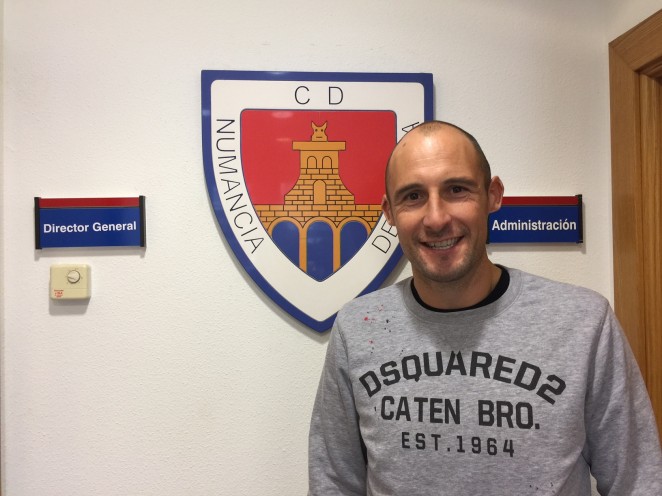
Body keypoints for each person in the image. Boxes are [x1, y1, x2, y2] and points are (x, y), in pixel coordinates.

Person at [308, 121, 662, 495]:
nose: (437, 218)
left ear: (493, 195)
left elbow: (637, 482)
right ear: (390, 212)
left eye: (456, 189)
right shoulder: (358, 328)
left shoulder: (585, 323)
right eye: (413, 196)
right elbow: (333, 481)